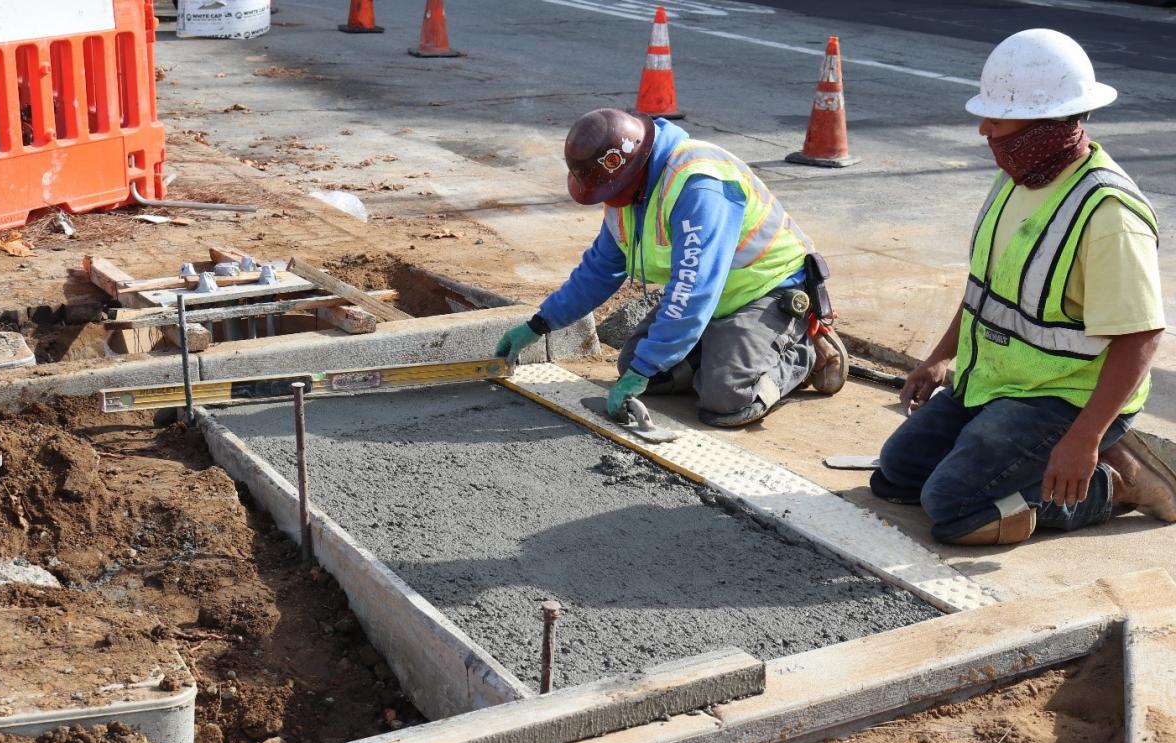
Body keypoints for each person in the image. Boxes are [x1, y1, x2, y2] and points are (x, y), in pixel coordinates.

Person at [871, 29, 1174, 546]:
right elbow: (986, 291)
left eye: (999, 117)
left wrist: (1084, 437)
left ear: (1048, 123)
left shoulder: (1108, 213)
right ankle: (1038, 459)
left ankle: (1114, 480)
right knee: (896, 476)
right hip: (996, 383)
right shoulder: (1019, 175)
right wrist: (942, 356)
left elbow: (1140, 337)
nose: (985, 128)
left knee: (954, 508)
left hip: (1065, 399)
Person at [495, 108, 848, 428]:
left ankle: (804, 350)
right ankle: (724, 352)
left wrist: (648, 367)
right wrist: (539, 325)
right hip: (713, 302)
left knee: (727, 399)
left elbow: (692, 291)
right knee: (632, 364)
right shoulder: (627, 196)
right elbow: (599, 270)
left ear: (633, 169)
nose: (606, 199)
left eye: (609, 189)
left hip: (766, 291)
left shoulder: (699, 186)